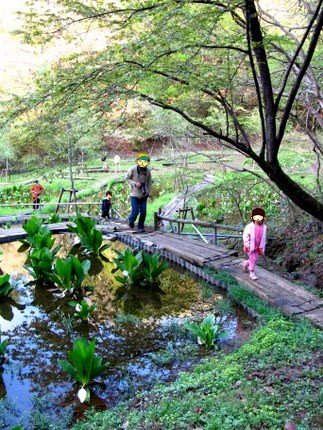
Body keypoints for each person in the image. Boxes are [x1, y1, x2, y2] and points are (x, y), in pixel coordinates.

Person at [125, 153, 152, 233]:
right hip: (134, 194)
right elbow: (127, 178)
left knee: (143, 212)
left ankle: (140, 227)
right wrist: (135, 184)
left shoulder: (148, 171)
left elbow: (149, 182)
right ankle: (131, 220)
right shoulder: (132, 169)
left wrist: (149, 191)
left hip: (144, 194)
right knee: (135, 211)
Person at [242, 207, 267, 281]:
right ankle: (252, 273)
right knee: (253, 259)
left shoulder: (264, 227)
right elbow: (245, 236)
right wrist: (247, 245)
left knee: (255, 259)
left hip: (258, 246)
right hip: (250, 246)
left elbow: (263, 238)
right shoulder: (249, 227)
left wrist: (262, 247)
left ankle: (246, 263)